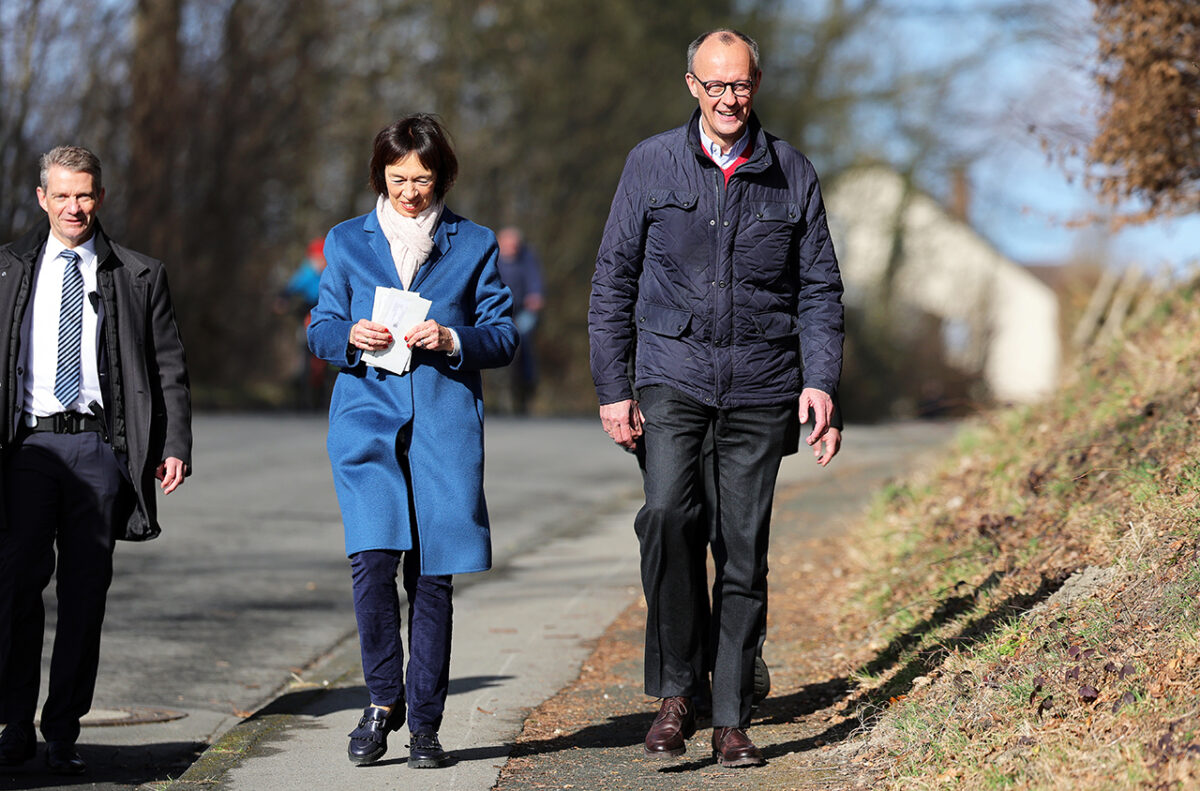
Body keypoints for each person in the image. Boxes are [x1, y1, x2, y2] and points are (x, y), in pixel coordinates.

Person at [588, 29, 845, 768]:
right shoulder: (652, 163)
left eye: (741, 86)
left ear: (756, 84)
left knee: (740, 548)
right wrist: (614, 387)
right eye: (715, 85)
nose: (729, 99)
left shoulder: (790, 171)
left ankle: (730, 713)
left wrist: (821, 379)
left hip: (762, 385)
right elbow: (614, 279)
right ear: (692, 86)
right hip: (671, 374)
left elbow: (821, 288)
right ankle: (677, 691)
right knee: (667, 518)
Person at [307, 114, 516, 770]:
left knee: (431, 578)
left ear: (443, 176)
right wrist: (349, 336)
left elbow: (504, 334)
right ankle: (380, 700)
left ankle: (425, 725)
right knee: (371, 565)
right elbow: (318, 328)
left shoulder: (474, 243)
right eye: (398, 179)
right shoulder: (346, 242)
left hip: (443, 429)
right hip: (367, 422)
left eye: (422, 180)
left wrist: (453, 339)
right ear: (381, 175)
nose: (410, 193)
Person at [0, 145, 192, 775]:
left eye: (84, 195)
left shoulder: (138, 274)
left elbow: (169, 370)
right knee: (15, 588)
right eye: (62, 195)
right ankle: (12, 724)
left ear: (99, 197)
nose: (74, 207)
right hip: (26, 448)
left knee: (85, 595)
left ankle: (61, 730)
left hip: (97, 450)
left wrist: (173, 444)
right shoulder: (7, 270)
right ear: (41, 198)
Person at [275, 237, 331, 408]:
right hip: (308, 311)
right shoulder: (306, 272)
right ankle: (304, 391)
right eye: (316, 259)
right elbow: (291, 288)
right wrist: (282, 299)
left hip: (328, 311)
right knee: (304, 349)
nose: (319, 263)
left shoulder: (331, 272)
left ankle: (325, 386)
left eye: (322, 259)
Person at [495, 227, 544, 414]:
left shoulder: (527, 258)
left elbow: (535, 281)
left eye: (514, 246)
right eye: (507, 245)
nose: (511, 249)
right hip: (500, 312)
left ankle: (526, 380)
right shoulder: (494, 259)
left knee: (521, 341)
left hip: (523, 310)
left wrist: (536, 295)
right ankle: (500, 384)